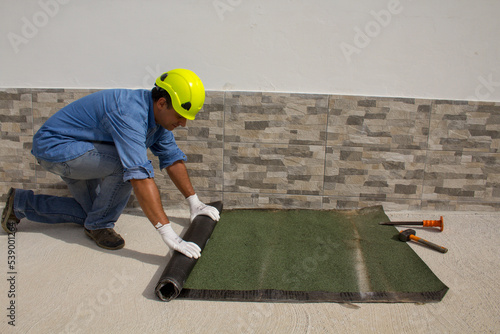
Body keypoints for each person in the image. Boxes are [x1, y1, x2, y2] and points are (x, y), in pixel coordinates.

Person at [1, 69, 219, 258]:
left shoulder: (159, 121)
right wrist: (169, 234)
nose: (183, 123)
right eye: (181, 116)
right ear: (162, 103)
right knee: (128, 167)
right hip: (57, 148)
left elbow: (172, 158)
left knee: (91, 212)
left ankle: (21, 204)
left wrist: (195, 203)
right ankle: (99, 225)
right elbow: (138, 175)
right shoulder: (129, 113)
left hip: (82, 148)